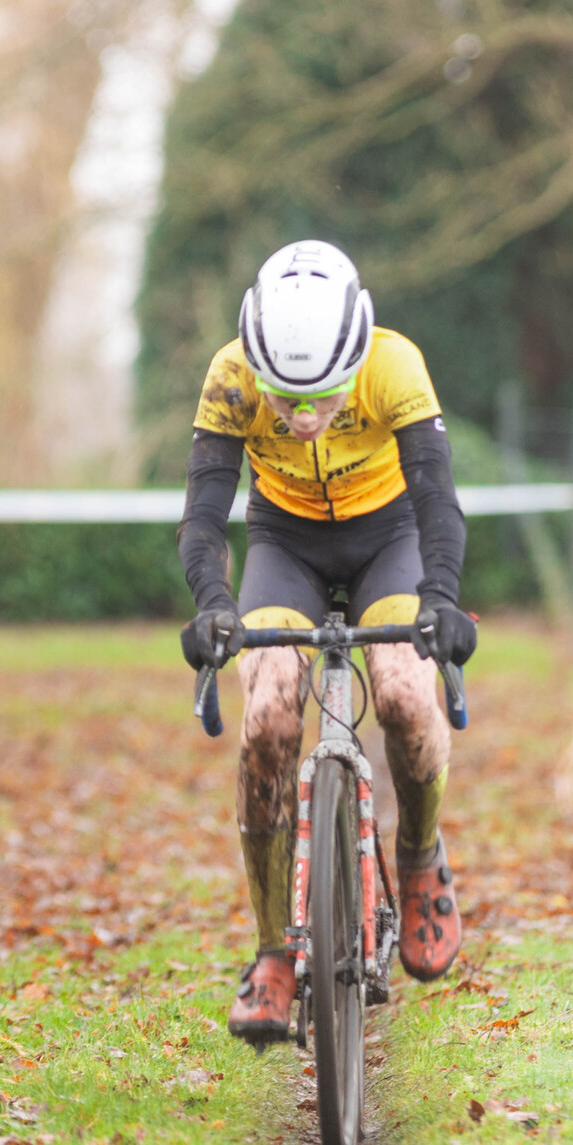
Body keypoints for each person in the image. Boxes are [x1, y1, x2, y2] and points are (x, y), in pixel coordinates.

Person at [176, 239, 476, 1044]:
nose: (303, 417)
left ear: (355, 363)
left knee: (409, 695)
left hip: (391, 539)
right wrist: (213, 603)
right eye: (286, 399)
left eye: (324, 397)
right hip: (287, 545)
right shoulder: (232, 376)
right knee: (269, 720)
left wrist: (441, 600)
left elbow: (439, 499)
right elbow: (204, 519)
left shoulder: (394, 365)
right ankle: (274, 951)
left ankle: (416, 859)